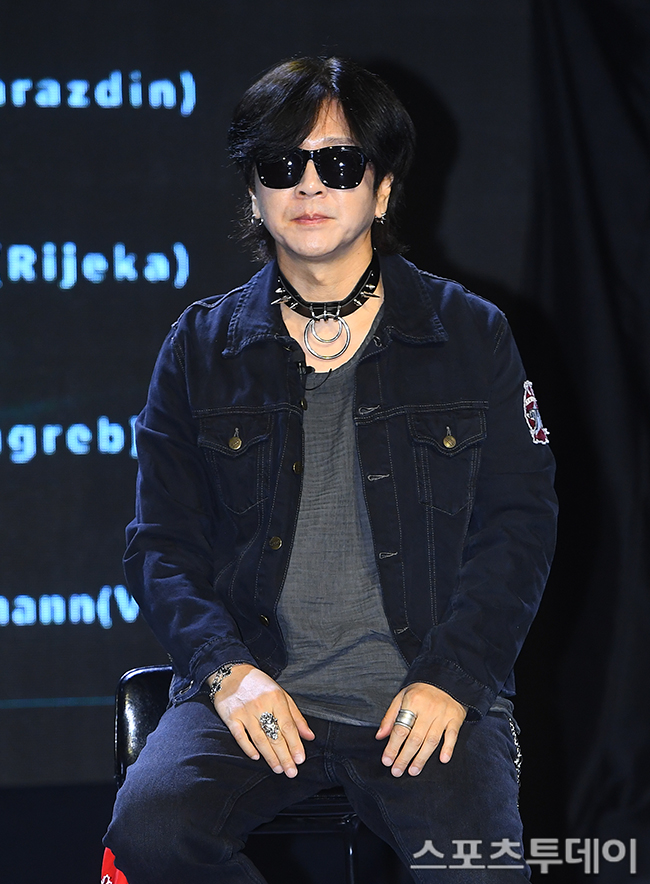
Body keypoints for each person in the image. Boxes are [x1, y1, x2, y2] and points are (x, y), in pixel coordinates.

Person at [104, 57, 557, 882]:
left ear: (381, 191)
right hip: (256, 691)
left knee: (482, 869)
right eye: (282, 164)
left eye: (340, 163)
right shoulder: (199, 349)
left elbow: (519, 527)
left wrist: (454, 677)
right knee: (149, 837)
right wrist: (227, 673)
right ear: (255, 195)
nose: (309, 184)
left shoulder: (471, 334)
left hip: (424, 694)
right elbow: (160, 546)